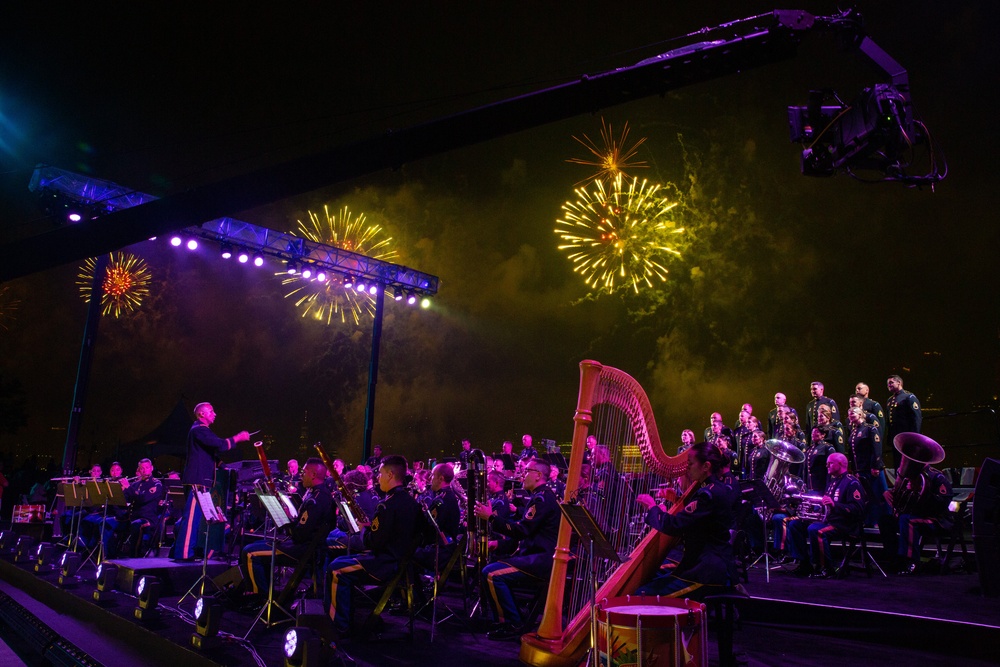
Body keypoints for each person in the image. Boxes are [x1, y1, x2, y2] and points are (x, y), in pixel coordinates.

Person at [326, 454, 422, 634]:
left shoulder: (387, 505)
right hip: (401, 562)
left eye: (380, 474)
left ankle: (338, 626)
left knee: (335, 568)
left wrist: (364, 530)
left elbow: (373, 543)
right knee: (341, 561)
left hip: (385, 564)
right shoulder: (411, 502)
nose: (377, 478)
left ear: (391, 475)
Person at [634, 441, 738, 601]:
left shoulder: (707, 494)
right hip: (703, 563)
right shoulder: (712, 489)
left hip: (707, 571)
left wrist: (651, 507)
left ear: (706, 466)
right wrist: (676, 499)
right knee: (650, 577)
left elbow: (674, 525)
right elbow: (698, 520)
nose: (686, 468)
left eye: (690, 463)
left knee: (641, 595)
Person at [474, 458, 560, 640]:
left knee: (491, 573)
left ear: (538, 476)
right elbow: (525, 529)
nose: (522, 475)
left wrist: (491, 518)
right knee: (492, 569)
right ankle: (510, 619)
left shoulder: (542, 498)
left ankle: (513, 623)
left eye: (527, 471)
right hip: (534, 556)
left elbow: (522, 530)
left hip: (540, 560)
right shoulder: (540, 496)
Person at [242, 458, 334, 596]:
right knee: (258, 544)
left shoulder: (316, 500)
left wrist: (286, 519)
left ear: (313, 475)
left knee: (249, 552)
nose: (302, 475)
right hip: (311, 548)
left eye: (304, 472)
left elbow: (299, 535)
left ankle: (259, 597)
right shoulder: (321, 494)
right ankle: (268, 593)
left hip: (303, 550)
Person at [171, 402, 249, 560]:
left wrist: (224, 467)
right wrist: (238, 438)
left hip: (201, 482)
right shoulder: (199, 429)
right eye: (211, 411)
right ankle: (184, 553)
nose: (215, 414)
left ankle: (188, 551)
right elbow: (219, 445)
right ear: (202, 414)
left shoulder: (201, 431)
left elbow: (210, 455)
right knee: (192, 519)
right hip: (197, 481)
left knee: (199, 520)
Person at [786, 453, 866, 578]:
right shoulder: (833, 481)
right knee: (794, 524)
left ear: (840, 464)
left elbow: (858, 509)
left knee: (816, 530)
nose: (826, 465)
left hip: (843, 523)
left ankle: (825, 567)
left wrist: (835, 505)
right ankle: (804, 563)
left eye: (830, 463)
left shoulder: (852, 483)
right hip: (829, 519)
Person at [118, 458, 165, 557]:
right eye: (142, 468)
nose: (144, 470)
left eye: (147, 468)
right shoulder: (135, 484)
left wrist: (128, 488)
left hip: (148, 518)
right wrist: (121, 490)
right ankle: (114, 555)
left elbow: (142, 498)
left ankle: (134, 557)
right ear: (139, 470)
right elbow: (126, 499)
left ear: (151, 468)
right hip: (134, 516)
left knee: (136, 524)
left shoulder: (156, 484)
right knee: (114, 522)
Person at [885, 375, 922, 467]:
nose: (889, 385)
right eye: (888, 384)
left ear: (899, 383)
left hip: (907, 436)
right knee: (897, 462)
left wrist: (915, 437)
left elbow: (916, 418)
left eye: (891, 382)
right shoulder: (890, 400)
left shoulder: (908, 397)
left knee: (909, 463)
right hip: (896, 438)